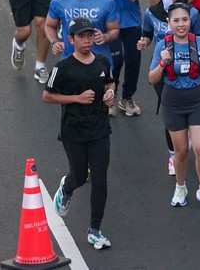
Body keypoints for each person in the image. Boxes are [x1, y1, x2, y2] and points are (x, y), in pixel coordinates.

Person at [43, 17, 115, 250]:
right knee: (80, 176)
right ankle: (67, 188)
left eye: (90, 35)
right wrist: (77, 98)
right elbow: (47, 96)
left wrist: (110, 94)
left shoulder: (103, 61)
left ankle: (95, 230)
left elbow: (110, 83)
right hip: (73, 130)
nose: (87, 40)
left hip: (100, 129)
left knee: (100, 179)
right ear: (71, 39)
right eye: (81, 36)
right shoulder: (62, 67)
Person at [149, 3, 200, 210]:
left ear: (190, 21)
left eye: (184, 19)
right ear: (169, 23)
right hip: (173, 101)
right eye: (176, 20)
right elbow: (152, 79)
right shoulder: (162, 46)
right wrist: (162, 64)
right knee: (181, 151)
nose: (181, 24)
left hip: (197, 99)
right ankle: (180, 186)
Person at [137, 0, 200, 175]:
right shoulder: (151, 12)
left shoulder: (191, 13)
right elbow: (147, 33)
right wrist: (144, 41)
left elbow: (199, 38)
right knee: (169, 111)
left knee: (190, 108)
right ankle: (173, 154)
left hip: (189, 69)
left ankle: (191, 131)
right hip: (163, 67)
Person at [45, 0, 120, 114]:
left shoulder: (106, 2)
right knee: (72, 108)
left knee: (100, 110)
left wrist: (105, 37)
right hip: (70, 63)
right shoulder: (59, 1)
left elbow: (114, 30)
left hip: (99, 62)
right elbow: (50, 25)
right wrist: (54, 42)